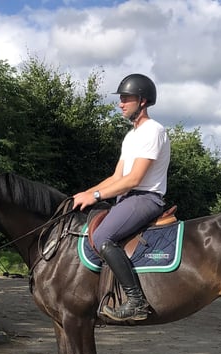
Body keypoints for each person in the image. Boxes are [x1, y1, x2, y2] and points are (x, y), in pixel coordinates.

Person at [72, 73, 171, 322]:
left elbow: (134, 179)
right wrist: (86, 193)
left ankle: (136, 301)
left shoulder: (153, 131)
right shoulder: (131, 136)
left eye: (126, 98)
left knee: (103, 236)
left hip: (146, 198)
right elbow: (117, 177)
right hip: (127, 198)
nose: (121, 103)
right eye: (121, 99)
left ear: (143, 101)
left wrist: (95, 195)